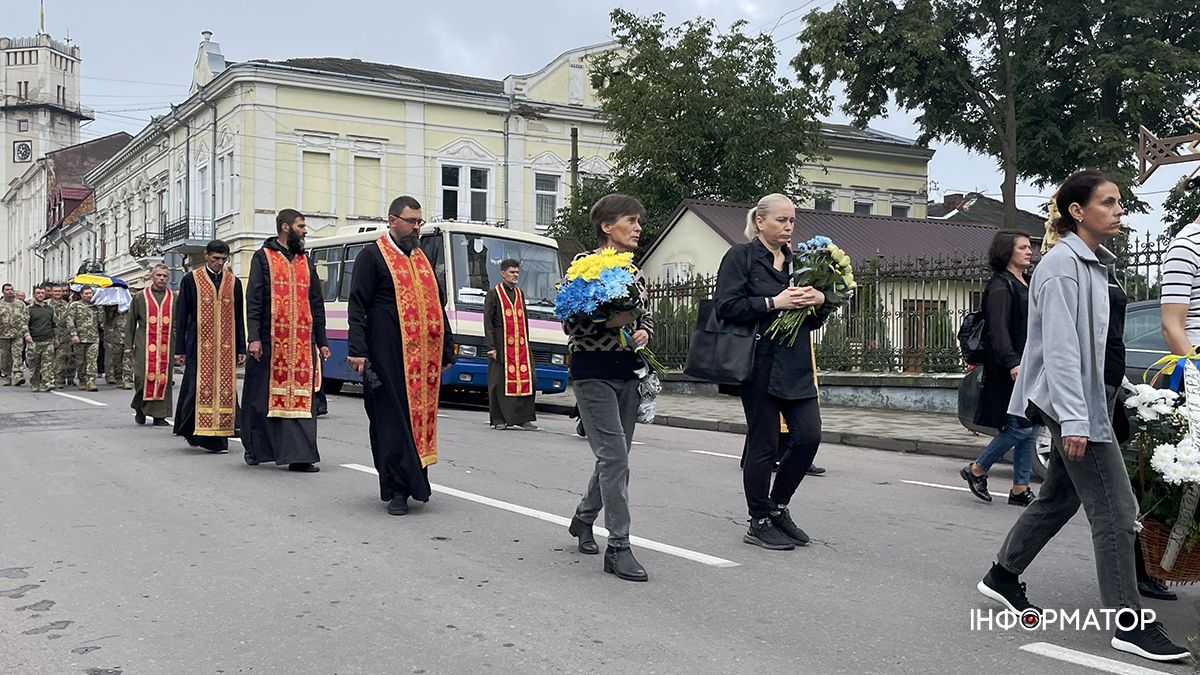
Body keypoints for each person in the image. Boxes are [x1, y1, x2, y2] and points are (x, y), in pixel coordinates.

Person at [975, 169, 1189, 662]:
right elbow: (1062, 350)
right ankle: (1129, 624)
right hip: (1077, 404)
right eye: (1109, 202)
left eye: (1119, 202)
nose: (1119, 210)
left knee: (1059, 497)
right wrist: (1076, 419)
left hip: (1098, 397)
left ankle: (1002, 575)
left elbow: (1101, 345)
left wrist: (1128, 394)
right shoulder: (1060, 267)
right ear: (1077, 211)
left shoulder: (1094, 264)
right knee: (1117, 510)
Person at [714, 193, 831, 552]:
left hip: (795, 363)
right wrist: (772, 302)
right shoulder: (741, 257)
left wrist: (821, 303)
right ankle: (758, 520)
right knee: (764, 444)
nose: (788, 226)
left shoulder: (800, 263)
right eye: (781, 220)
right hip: (759, 362)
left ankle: (778, 507)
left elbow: (810, 322)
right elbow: (726, 306)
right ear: (760, 221)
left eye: (792, 220)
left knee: (808, 437)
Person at [563, 194, 655, 582]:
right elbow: (569, 323)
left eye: (639, 222)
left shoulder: (636, 272)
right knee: (615, 458)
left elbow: (648, 315)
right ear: (607, 226)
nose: (637, 229)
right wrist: (607, 320)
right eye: (631, 221)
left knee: (614, 458)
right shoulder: (583, 268)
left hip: (628, 374)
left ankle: (583, 519)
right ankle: (619, 546)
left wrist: (642, 331)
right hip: (592, 372)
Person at [347, 196, 455, 514]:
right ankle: (395, 488)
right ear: (393, 220)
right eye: (411, 221)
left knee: (415, 420)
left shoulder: (421, 258)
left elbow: (438, 303)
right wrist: (357, 350)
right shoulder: (373, 255)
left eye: (420, 222)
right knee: (390, 421)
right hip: (385, 354)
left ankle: (415, 482)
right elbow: (357, 304)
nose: (416, 227)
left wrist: (447, 345)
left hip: (421, 359)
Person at [241, 209, 327, 473]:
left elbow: (316, 302)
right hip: (269, 342)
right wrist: (253, 337)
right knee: (261, 399)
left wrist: (321, 341)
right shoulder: (262, 257)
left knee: (303, 400)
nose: (305, 230)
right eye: (301, 225)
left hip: (301, 343)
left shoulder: (305, 260)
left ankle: (300, 456)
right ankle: (257, 449)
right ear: (286, 228)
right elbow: (254, 299)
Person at [960, 231, 1037, 506]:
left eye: (1030, 247)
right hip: (1008, 365)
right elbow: (998, 329)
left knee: (1031, 425)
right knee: (1019, 427)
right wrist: (1013, 362)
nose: (1030, 251)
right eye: (1023, 247)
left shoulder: (1026, 282)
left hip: (1029, 363)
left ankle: (1020, 488)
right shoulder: (1000, 285)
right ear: (1008, 252)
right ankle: (977, 469)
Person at [173, 240, 246, 453]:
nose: (219, 263)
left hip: (226, 347)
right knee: (197, 389)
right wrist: (180, 350)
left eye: (223, 259)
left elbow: (238, 317)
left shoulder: (234, 283)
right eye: (215, 259)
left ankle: (220, 436)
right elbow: (182, 316)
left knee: (224, 390)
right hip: (198, 344)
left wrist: (241, 348)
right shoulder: (191, 279)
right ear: (206, 256)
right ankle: (196, 433)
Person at [484, 258, 538, 431]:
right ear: (503, 273)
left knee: (528, 380)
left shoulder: (520, 294)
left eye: (517, 272)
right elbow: (488, 322)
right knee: (499, 382)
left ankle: (523, 418)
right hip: (501, 345)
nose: (516, 275)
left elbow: (525, 321)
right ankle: (498, 419)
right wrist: (491, 347)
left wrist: (527, 344)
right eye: (512, 272)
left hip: (520, 346)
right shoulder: (494, 293)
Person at [125, 265, 175, 426]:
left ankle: (159, 415)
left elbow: (181, 323)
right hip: (143, 342)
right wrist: (128, 345)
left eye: (165, 276)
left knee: (163, 379)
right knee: (142, 377)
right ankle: (140, 406)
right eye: (158, 275)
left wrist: (181, 349)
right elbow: (131, 322)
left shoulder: (174, 297)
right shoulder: (140, 297)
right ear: (152, 277)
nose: (161, 278)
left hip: (167, 344)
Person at [68, 286, 102, 392]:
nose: (88, 295)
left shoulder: (96, 306)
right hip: (80, 337)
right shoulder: (75, 305)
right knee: (80, 361)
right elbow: (69, 320)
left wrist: (101, 309)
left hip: (93, 337)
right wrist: (73, 334)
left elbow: (102, 322)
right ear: (81, 294)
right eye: (86, 293)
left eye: (90, 293)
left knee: (92, 360)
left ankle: (91, 381)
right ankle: (82, 380)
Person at [25, 285, 56, 392]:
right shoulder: (29, 309)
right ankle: (35, 383)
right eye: (38, 293)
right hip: (34, 341)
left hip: (48, 340)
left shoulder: (50, 309)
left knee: (48, 364)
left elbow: (54, 325)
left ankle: (48, 383)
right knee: (34, 364)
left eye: (42, 293)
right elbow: (24, 324)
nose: (40, 295)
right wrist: (27, 335)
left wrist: (56, 338)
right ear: (34, 295)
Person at [0, 283, 29, 386]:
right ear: (3, 291)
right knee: (4, 357)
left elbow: (25, 319)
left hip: (17, 334)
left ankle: (18, 375)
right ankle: (6, 375)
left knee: (17, 354)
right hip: (3, 335)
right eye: (7, 289)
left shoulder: (20, 304)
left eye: (11, 289)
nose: (10, 291)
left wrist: (25, 333)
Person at [51, 283, 76, 389]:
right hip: (52, 334)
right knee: (56, 358)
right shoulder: (47, 305)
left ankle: (70, 378)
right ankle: (58, 379)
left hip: (66, 335)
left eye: (59, 291)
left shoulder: (68, 305)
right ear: (51, 292)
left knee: (69, 357)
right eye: (55, 291)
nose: (57, 293)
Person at [102, 304, 132, 389]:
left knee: (128, 358)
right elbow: (105, 319)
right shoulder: (112, 308)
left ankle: (127, 379)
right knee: (117, 358)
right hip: (116, 336)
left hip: (130, 336)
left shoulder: (132, 305)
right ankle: (118, 377)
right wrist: (111, 308)